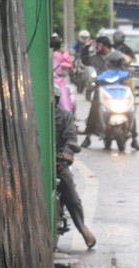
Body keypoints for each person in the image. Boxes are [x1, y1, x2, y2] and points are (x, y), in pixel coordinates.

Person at [54, 86, 95, 249]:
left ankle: (83, 229)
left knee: (72, 197)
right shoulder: (36, 115)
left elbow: (71, 138)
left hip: (58, 162)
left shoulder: (64, 117)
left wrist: (66, 152)